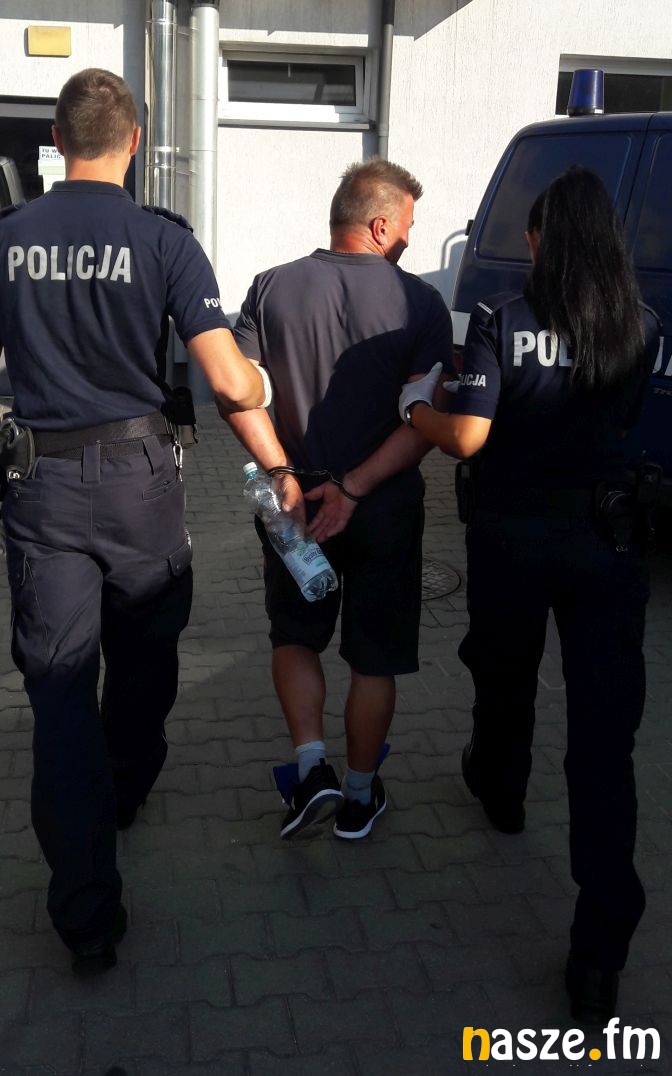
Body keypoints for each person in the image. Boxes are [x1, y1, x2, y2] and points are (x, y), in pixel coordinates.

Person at [0, 68, 269, 975]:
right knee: (145, 655)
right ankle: (125, 787)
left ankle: (87, 918)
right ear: (134, 141)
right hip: (141, 485)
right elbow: (228, 381)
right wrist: (263, 384)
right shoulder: (165, 239)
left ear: (57, 141)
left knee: (59, 691)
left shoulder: (3, 240)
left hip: (40, 487)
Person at [398, 166, 661, 1022]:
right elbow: (622, 424)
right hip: (608, 542)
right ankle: (600, 956)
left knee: (504, 674)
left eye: (533, 234)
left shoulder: (501, 319)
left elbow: (469, 437)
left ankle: (502, 789)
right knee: (604, 744)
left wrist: (415, 412)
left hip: (512, 536)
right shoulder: (642, 326)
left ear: (545, 241)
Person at [227, 158, 453, 841]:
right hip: (384, 505)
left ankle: (310, 770)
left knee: (295, 637)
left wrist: (282, 473)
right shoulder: (421, 303)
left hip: (295, 505)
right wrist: (355, 488)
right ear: (380, 225)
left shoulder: (271, 286)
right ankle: (357, 797)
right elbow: (426, 421)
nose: (410, 238)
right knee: (374, 656)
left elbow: (238, 392)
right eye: (407, 225)